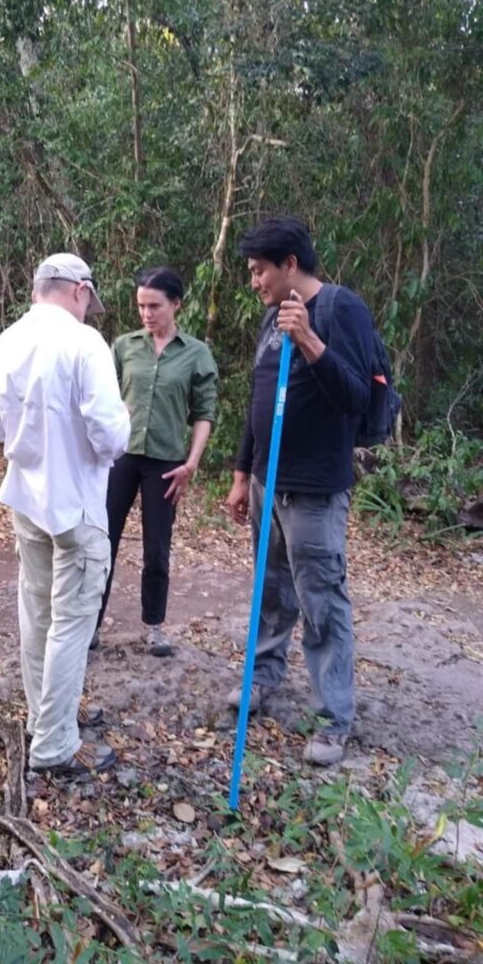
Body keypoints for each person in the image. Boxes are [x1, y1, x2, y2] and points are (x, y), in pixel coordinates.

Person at [0, 253, 130, 777]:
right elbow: (110, 432)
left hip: (27, 499)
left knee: (37, 614)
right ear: (80, 290)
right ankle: (54, 745)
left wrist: (30, 438)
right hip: (77, 503)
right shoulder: (84, 342)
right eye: (90, 300)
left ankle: (47, 720)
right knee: (70, 622)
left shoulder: (6, 341)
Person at [225, 216, 374, 766]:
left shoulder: (342, 310)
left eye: (259, 271)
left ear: (290, 265)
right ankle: (264, 676)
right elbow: (259, 399)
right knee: (271, 589)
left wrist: (309, 340)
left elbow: (357, 396)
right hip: (269, 480)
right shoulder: (271, 318)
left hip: (313, 489)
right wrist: (243, 474)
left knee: (321, 601)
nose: (254, 281)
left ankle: (333, 717)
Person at [93, 267, 218, 657]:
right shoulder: (124, 346)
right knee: (101, 542)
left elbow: (204, 413)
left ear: (176, 304)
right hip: (120, 457)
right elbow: (101, 399)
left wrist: (191, 463)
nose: (146, 314)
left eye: (155, 306)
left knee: (157, 548)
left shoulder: (196, 353)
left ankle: (154, 627)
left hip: (166, 462)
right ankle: (89, 625)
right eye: (141, 306)